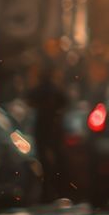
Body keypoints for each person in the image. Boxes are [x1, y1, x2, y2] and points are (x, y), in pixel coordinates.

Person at [26, 61, 70, 199]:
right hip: (54, 127)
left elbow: (28, 99)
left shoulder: (39, 90)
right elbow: (65, 102)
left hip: (43, 127)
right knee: (57, 159)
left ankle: (47, 192)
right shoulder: (55, 90)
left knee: (44, 160)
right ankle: (59, 190)